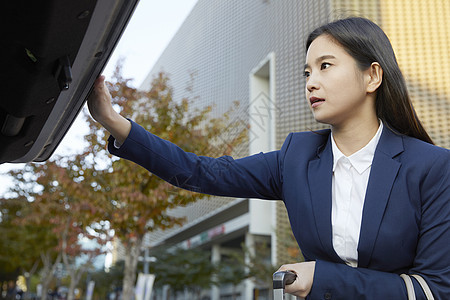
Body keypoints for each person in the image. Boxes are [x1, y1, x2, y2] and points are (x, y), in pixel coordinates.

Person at [88, 17, 449, 299]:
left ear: (372, 76)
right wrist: (114, 121)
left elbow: (435, 290)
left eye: (325, 66)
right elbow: (199, 172)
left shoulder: (432, 168)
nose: (310, 81)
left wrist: (322, 279)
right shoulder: (297, 158)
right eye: (307, 72)